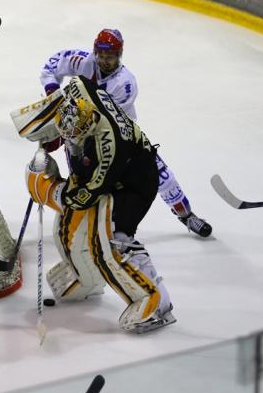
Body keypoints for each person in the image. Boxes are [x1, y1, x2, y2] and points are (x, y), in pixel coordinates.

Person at [20, 75, 176, 333]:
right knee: (84, 225)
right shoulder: (81, 93)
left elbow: (84, 196)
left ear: (89, 126)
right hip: (125, 167)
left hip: (134, 185)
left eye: (74, 137)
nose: (70, 142)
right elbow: (77, 82)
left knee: (113, 242)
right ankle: (86, 278)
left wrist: (47, 190)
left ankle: (154, 300)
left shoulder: (107, 150)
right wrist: (42, 124)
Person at [39, 29, 212, 237]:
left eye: (109, 57)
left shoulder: (125, 83)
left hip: (123, 137)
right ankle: (84, 227)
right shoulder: (82, 60)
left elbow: (104, 121)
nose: (104, 61)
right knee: (83, 182)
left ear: (119, 55)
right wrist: (52, 93)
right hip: (80, 135)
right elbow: (51, 66)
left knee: (162, 176)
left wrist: (61, 133)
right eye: (101, 56)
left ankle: (187, 215)